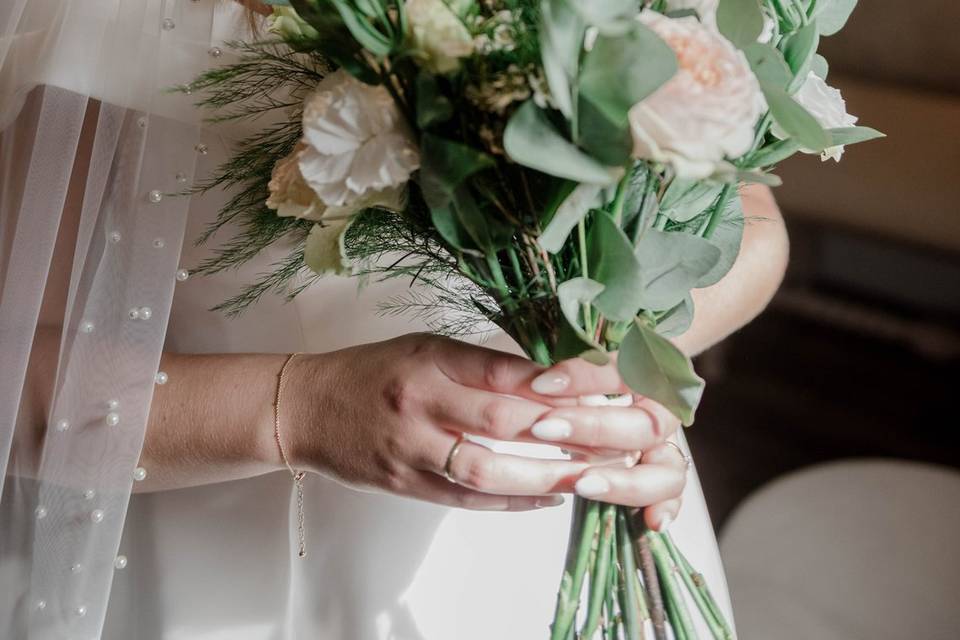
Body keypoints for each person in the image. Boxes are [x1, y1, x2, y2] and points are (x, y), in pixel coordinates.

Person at [0, 2, 788, 638]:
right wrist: (297, 408)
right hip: (207, 543)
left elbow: (751, 220)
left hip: (548, 512)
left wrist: (598, 351)